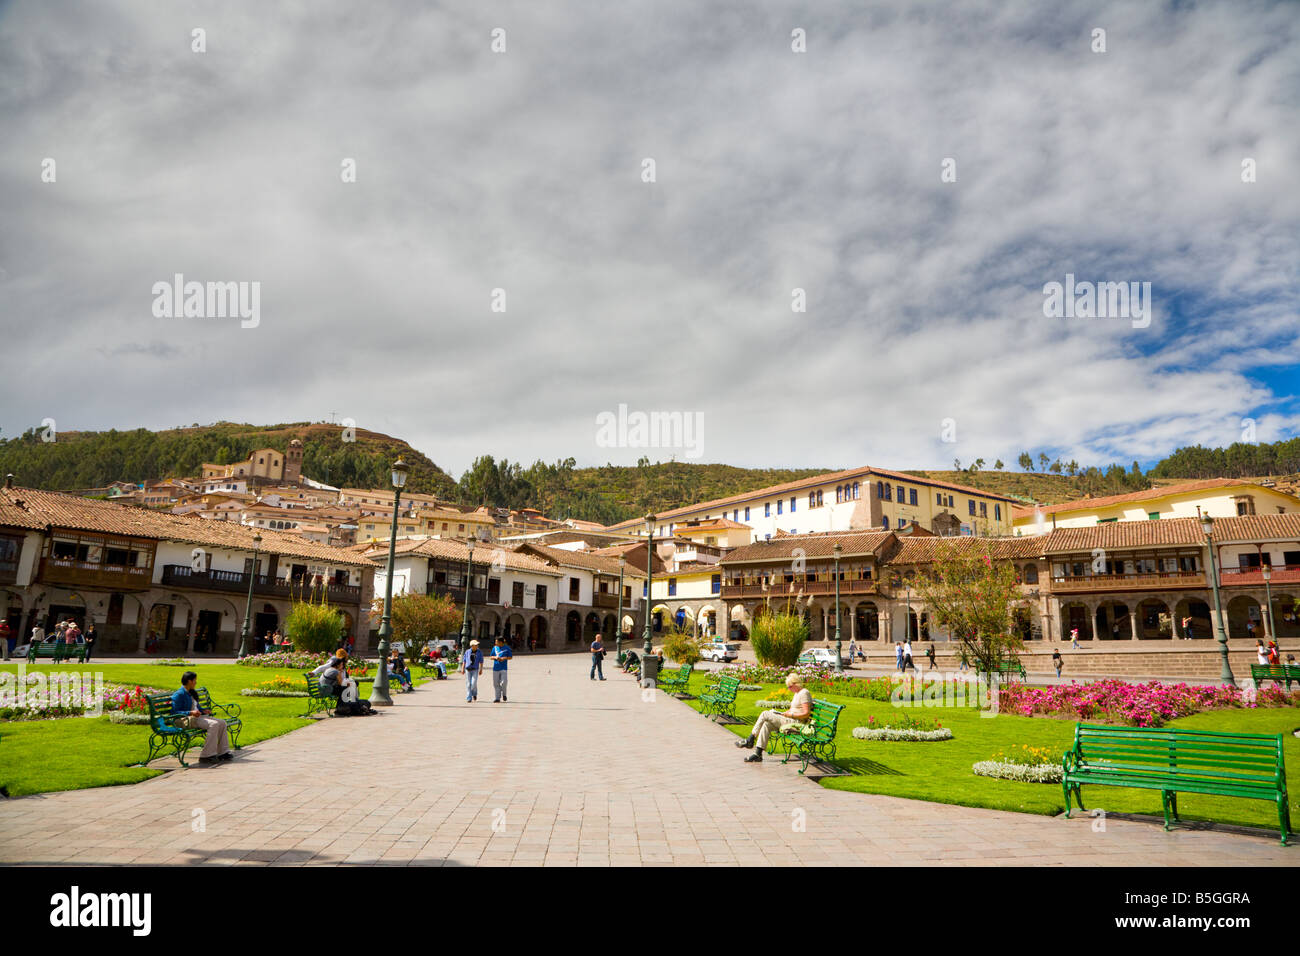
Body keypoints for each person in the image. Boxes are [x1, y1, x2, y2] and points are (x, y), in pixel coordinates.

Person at [736, 673, 813, 763]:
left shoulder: (804, 693)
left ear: (796, 684)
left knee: (765, 714)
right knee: (767, 724)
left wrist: (791, 715)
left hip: (796, 723)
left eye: (790, 686)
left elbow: (806, 713)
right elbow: (795, 709)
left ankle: (750, 739)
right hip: (789, 719)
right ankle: (758, 754)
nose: (789, 689)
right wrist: (785, 713)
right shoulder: (797, 693)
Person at [171, 671, 233, 764]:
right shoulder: (179, 694)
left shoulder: (191, 692)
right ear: (189, 681)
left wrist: (203, 710)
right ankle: (206, 755)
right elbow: (174, 712)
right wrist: (190, 712)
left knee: (222, 722)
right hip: (187, 719)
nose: (196, 682)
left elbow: (197, 707)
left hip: (198, 717)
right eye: (195, 680)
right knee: (214, 724)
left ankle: (223, 752)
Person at [491, 635, 512, 702]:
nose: (495, 643)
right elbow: (491, 656)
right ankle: (497, 698)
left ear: (501, 642)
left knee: (504, 683)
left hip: (503, 668)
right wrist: (495, 657)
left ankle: (504, 694)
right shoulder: (494, 648)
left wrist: (504, 658)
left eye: (496, 641)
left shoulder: (507, 648)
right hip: (495, 668)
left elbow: (510, 657)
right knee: (496, 684)